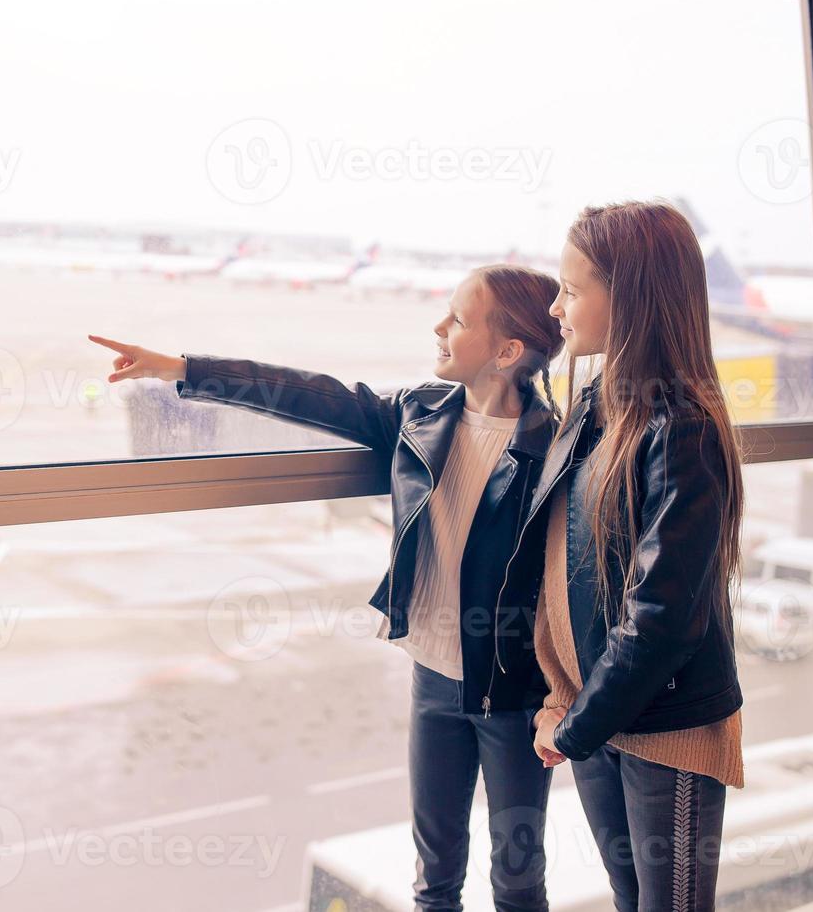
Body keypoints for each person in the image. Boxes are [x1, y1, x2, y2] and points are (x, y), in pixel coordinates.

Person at [91, 263, 563, 911]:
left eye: (457, 317)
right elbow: (305, 392)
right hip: (431, 675)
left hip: (512, 691)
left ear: (508, 351)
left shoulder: (559, 448)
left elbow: (578, 584)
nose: (438, 326)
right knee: (435, 874)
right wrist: (181, 368)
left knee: (516, 878)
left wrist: (565, 694)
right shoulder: (419, 414)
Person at [528, 200, 747, 911]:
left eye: (571, 288)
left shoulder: (680, 425)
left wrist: (578, 723)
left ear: (631, 294)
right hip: (598, 712)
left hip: (662, 724)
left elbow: (663, 616)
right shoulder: (595, 402)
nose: (556, 308)